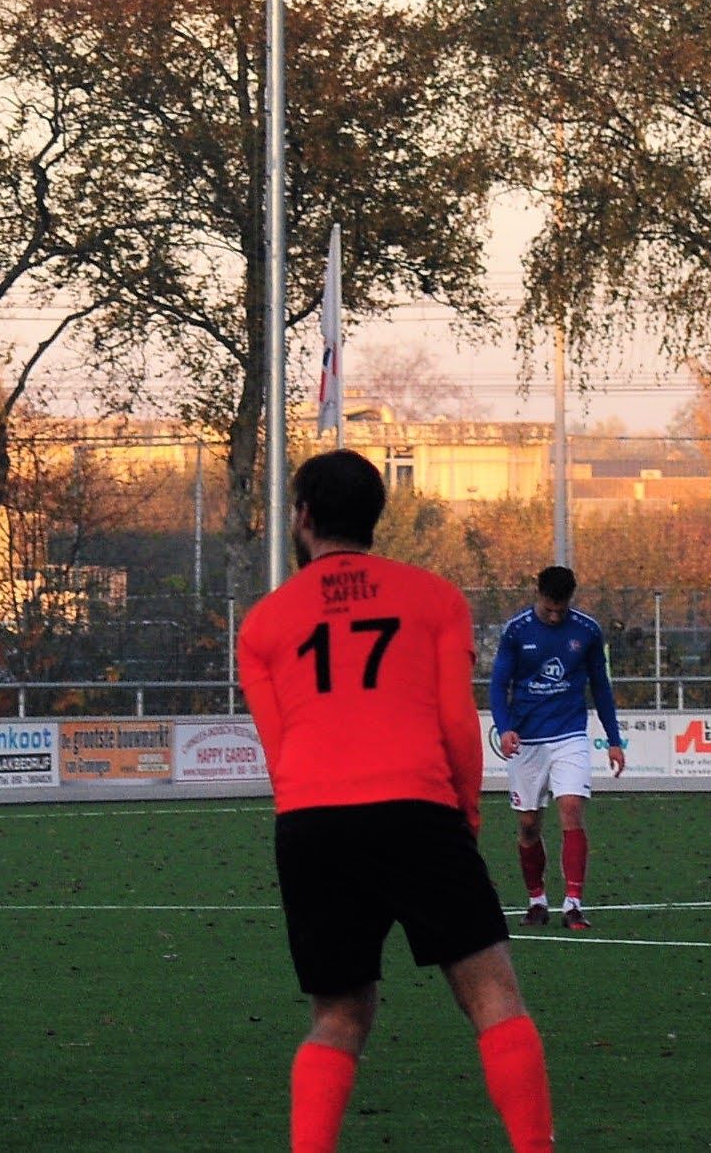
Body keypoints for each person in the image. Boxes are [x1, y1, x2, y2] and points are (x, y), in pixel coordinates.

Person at [237, 449, 552, 1153]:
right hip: (415, 807)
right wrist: (462, 817)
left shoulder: (261, 625)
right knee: (492, 996)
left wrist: (308, 821)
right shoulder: (433, 597)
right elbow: (453, 725)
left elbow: (278, 746)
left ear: (304, 516)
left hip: (312, 819)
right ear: (375, 515)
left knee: (338, 1015)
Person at [490, 565, 626, 930]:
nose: (554, 615)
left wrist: (614, 740)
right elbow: (498, 684)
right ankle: (537, 901)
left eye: (560, 609)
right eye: (549, 608)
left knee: (570, 809)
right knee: (529, 825)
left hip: (569, 735)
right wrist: (504, 729)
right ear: (539, 596)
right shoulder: (516, 631)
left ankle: (573, 904)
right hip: (527, 740)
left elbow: (601, 687)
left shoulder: (587, 631)